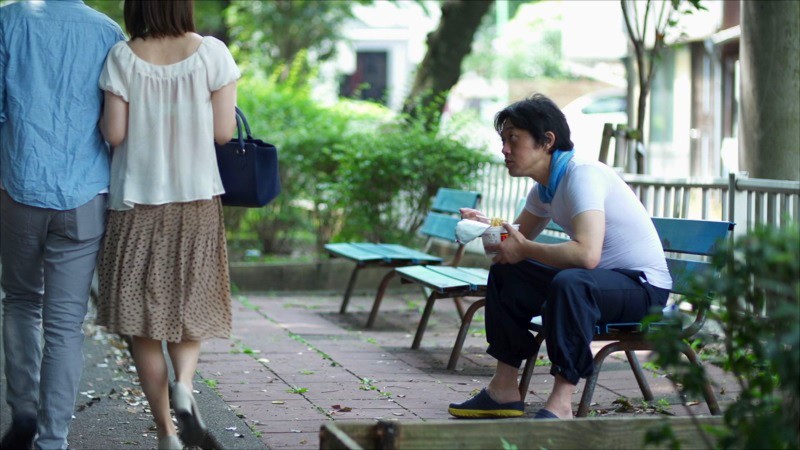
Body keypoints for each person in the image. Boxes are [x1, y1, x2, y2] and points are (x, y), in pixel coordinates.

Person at [448, 94, 672, 420]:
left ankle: (561, 403)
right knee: (509, 272)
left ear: (547, 141)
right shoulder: (545, 189)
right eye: (503, 141)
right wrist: (486, 227)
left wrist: (523, 248)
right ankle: (503, 390)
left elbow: (587, 255)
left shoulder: (582, 175)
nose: (504, 149)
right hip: (598, 285)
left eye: (513, 139)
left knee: (571, 282)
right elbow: (514, 242)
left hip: (642, 289)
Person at [95, 1, 239, 449]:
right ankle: (185, 386)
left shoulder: (123, 56)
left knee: (142, 322)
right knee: (189, 304)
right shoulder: (212, 53)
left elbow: (114, 134)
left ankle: (166, 434)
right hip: (195, 198)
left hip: (135, 202)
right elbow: (223, 133)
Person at [0, 0, 124, 448]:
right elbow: (117, 125)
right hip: (85, 195)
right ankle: (52, 439)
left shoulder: (7, 21)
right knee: (66, 323)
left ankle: (24, 411)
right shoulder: (108, 32)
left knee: (20, 301)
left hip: (17, 187)